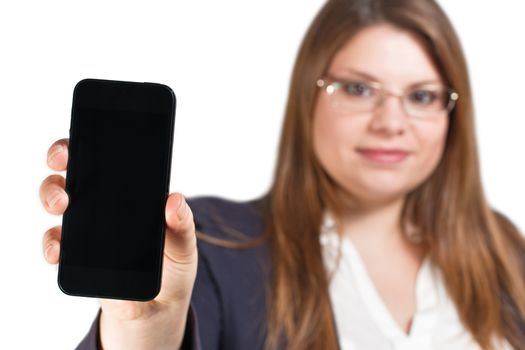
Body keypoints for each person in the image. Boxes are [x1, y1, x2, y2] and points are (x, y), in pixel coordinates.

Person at [40, 0, 525, 349]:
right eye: (358, 88)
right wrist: (144, 326)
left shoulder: (505, 250)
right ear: (306, 98)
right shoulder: (213, 244)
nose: (391, 122)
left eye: (421, 96)